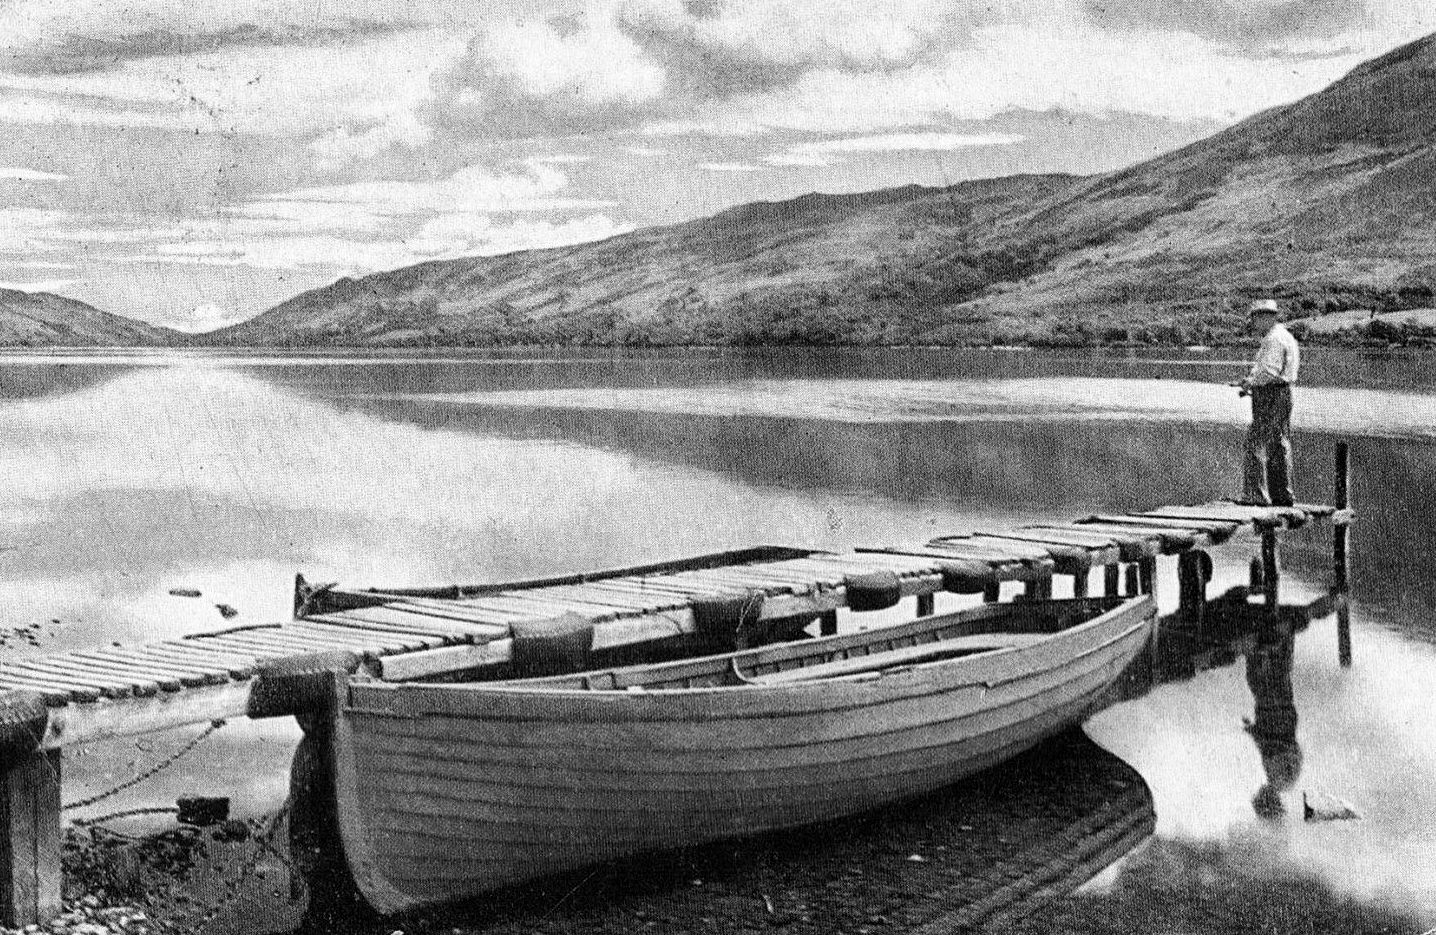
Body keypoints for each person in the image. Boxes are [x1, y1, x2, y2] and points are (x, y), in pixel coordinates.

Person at [1236, 299, 1299, 507]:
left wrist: (1249, 383)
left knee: (1255, 443)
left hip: (1271, 396)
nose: (1253, 324)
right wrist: (1253, 381)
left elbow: (1269, 372)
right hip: (1283, 394)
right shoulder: (1286, 337)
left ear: (1265, 317)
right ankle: (1282, 495)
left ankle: (1256, 495)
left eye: (1254, 319)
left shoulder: (1273, 339)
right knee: (1278, 444)